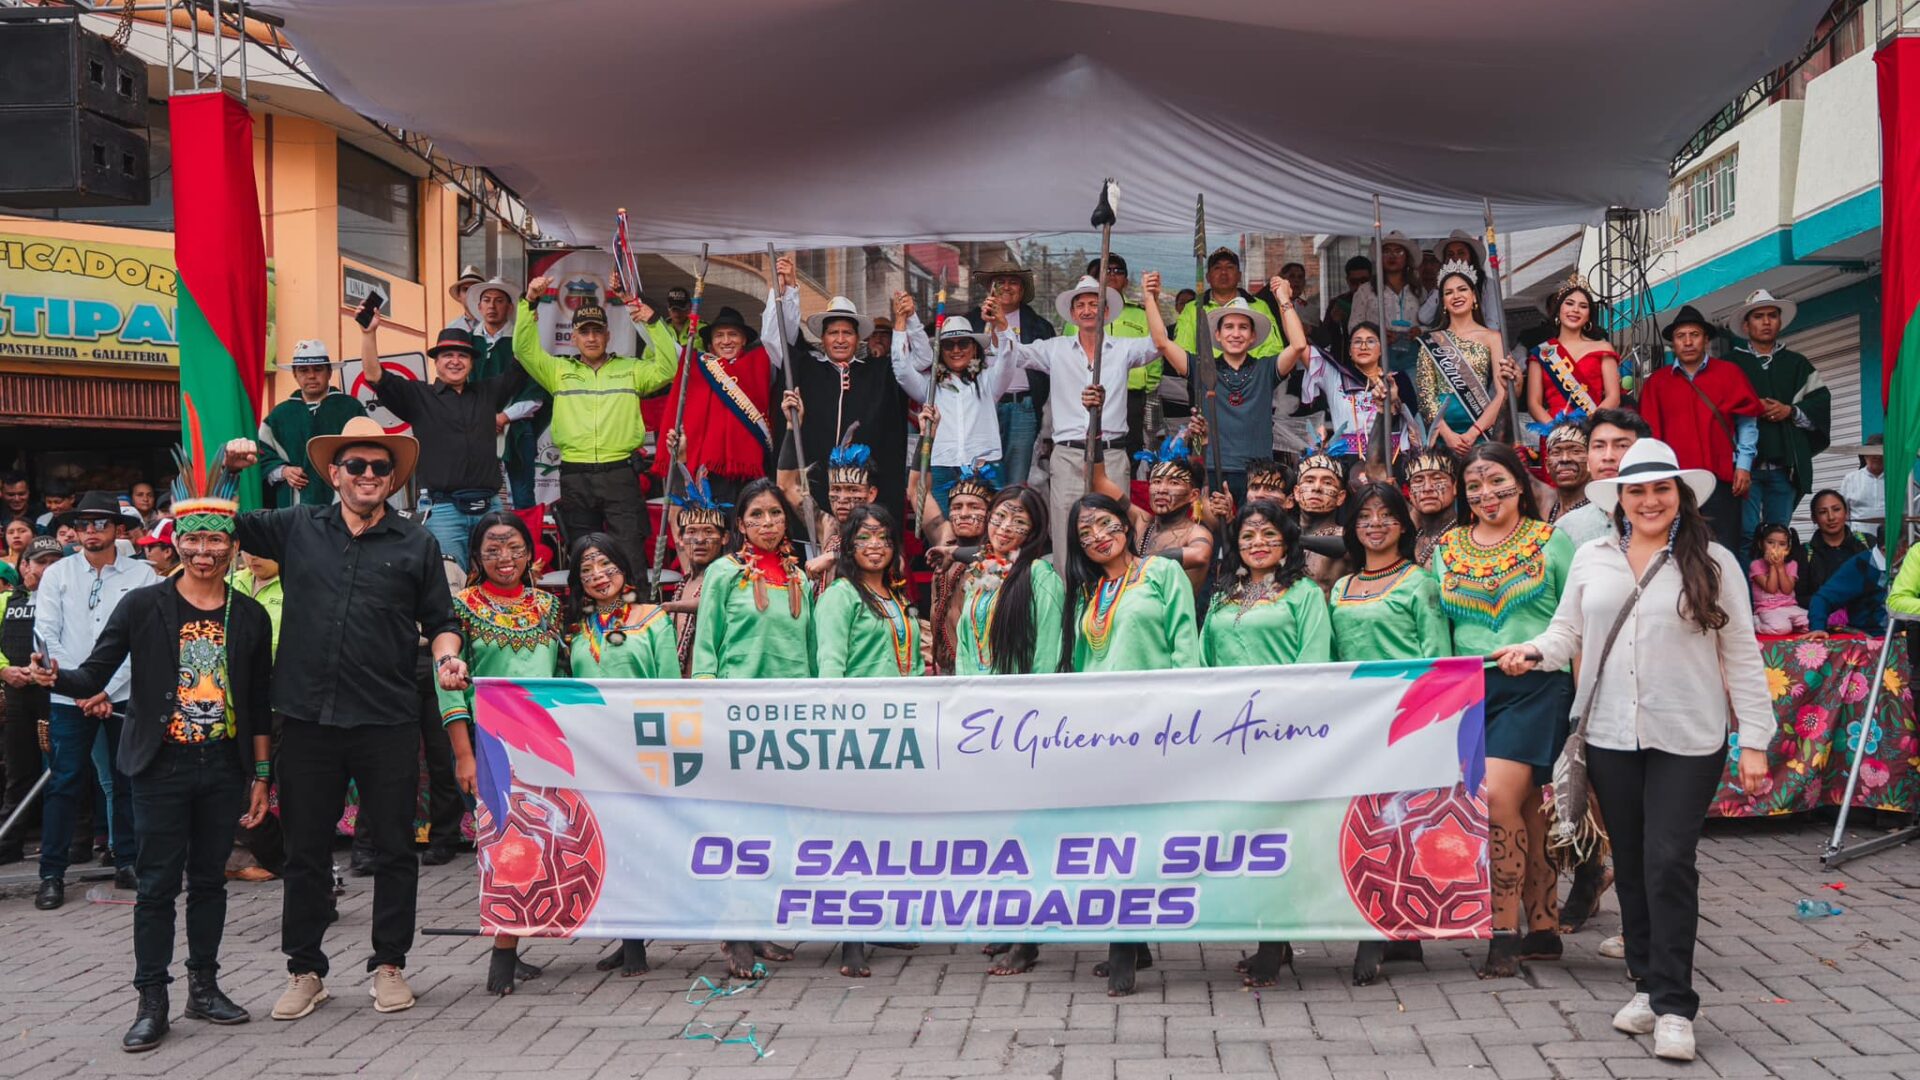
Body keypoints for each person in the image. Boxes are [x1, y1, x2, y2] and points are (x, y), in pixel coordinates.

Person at [1493, 438, 1772, 1063]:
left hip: (1689, 735)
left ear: (1681, 496)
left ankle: (1675, 1004)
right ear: (1619, 498)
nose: (1649, 500)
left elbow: (1743, 655)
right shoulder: (1592, 556)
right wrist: (1534, 651)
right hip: (1610, 734)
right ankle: (1646, 984)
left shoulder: (1715, 562)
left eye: (1661, 489)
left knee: (1670, 859)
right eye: (1637, 490)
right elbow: (1567, 631)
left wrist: (1754, 738)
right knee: (1639, 866)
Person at [219, 417, 465, 1021]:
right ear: (335, 474)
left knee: (394, 849)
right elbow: (214, 523)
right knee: (304, 851)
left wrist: (451, 658)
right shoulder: (297, 525)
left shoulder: (417, 543)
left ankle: (390, 965)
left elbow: (442, 622)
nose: (368, 476)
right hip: (306, 717)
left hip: (386, 717)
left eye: (381, 468)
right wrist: (228, 471)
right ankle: (305, 971)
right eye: (356, 466)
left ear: (392, 478)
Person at [29, 455, 272, 1052]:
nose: (204, 551)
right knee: (159, 885)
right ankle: (152, 1000)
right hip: (158, 764)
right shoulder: (143, 605)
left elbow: (261, 703)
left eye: (216, 539)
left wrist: (261, 773)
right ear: (176, 544)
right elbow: (94, 675)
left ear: (232, 545)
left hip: (222, 765)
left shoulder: (251, 615)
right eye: (192, 539)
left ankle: (205, 988)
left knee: (211, 880)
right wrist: (50, 678)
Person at [1433, 443, 1573, 977]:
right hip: (1472, 691)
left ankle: (1501, 932)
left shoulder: (1551, 542)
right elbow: (1442, 630)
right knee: (1524, 807)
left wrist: (1582, 702)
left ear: (1521, 485)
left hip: (1539, 687)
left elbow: (1576, 626)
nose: (1486, 494)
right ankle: (1544, 927)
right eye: (1474, 486)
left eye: (1497, 482)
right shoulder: (1447, 548)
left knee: (1495, 798)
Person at [1060, 490, 1200, 995]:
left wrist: (1190, 713)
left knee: (1142, 833)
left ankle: (1124, 950)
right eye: (1084, 534)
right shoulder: (1087, 593)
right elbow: (1081, 666)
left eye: (1104, 524)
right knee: (1114, 835)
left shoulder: (1161, 573)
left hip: (1156, 723)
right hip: (1103, 732)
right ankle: (1133, 944)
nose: (1097, 537)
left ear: (1125, 522)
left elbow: (1185, 642)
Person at [1201, 499, 1329, 988]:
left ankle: (1275, 944)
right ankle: (1264, 931)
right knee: (1248, 836)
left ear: (1286, 543)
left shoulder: (1302, 594)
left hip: (1283, 732)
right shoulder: (1221, 595)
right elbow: (1204, 660)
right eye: (1248, 535)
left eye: (1269, 535)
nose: (1257, 544)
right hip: (1231, 735)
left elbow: (1315, 662)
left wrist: (1291, 721)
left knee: (1281, 834)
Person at [436, 511, 563, 996]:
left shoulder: (549, 607)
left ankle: (518, 942)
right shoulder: (462, 608)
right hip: (491, 745)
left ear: (531, 553)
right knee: (505, 847)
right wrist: (464, 755)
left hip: (547, 742)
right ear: (476, 557)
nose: (504, 558)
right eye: (492, 550)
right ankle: (502, 957)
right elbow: (449, 690)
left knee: (544, 842)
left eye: (513, 548)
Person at [689, 477, 810, 979]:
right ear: (740, 524)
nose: (767, 523)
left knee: (774, 829)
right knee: (737, 827)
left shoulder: (797, 575)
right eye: (756, 515)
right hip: (737, 718)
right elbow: (706, 646)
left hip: (788, 721)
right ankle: (734, 932)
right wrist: (708, 703)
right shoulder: (723, 572)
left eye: (776, 514)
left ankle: (759, 925)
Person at [1328, 482, 1448, 984]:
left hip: (1409, 718)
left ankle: (1382, 934)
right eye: (1364, 516)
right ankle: (1395, 933)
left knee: (1399, 826)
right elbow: (1332, 662)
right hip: (1357, 722)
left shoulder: (1419, 583)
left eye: (1385, 515)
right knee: (1364, 827)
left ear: (1404, 523)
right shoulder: (1340, 587)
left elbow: (1438, 655)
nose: (1375, 524)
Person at [995, 273, 1187, 571]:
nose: (1087, 310)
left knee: (1112, 529)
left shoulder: (1123, 348)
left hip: (1110, 453)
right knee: (1065, 532)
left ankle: (1110, 603)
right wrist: (1002, 325)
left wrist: (1150, 298)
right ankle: (1067, 603)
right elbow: (1015, 354)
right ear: (1072, 314)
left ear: (1106, 312)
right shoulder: (1054, 347)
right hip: (1068, 454)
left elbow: (1158, 344)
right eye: (1081, 304)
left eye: (1094, 304)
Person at [32, 490, 159, 908]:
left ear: (117, 529)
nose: (90, 531)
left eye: (100, 523)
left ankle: (128, 861)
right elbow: (46, 635)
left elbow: (145, 643)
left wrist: (106, 688)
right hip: (71, 698)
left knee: (126, 781)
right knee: (65, 782)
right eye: (83, 524)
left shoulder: (143, 577)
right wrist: (83, 687)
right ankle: (51, 873)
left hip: (122, 694)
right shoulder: (58, 574)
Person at [564, 532, 676, 977]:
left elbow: (669, 685)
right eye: (587, 569)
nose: (598, 576)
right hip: (596, 753)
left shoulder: (652, 619)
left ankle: (639, 944)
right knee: (607, 847)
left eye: (606, 566)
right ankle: (628, 939)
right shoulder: (576, 630)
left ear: (625, 572)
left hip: (642, 747)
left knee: (640, 845)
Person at [515, 277, 679, 571]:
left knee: (630, 550)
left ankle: (636, 612)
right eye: (584, 332)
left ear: (608, 335)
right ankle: (586, 614)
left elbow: (669, 367)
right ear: (574, 337)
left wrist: (654, 323)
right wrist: (529, 303)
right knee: (583, 552)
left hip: (620, 472)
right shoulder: (558, 370)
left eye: (597, 331)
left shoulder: (631, 370)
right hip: (575, 474)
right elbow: (523, 351)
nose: (591, 338)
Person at [363, 321, 531, 566]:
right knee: (451, 586)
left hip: (490, 506)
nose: (455, 361)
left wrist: (530, 310)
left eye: (462, 355)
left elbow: (522, 362)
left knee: (499, 580)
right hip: (444, 511)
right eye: (447, 355)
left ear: (472, 363)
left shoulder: (487, 393)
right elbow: (374, 376)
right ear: (437, 362)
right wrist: (369, 333)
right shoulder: (419, 396)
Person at [767, 258, 911, 522]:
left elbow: (911, 366)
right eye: (833, 332)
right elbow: (775, 340)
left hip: (863, 490)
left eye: (847, 333)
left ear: (858, 339)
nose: (841, 339)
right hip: (815, 484)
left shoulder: (879, 373)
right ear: (822, 338)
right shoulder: (805, 368)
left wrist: (903, 322)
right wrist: (785, 291)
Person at [1158, 280, 1310, 504]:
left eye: (1243, 327)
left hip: (1258, 474)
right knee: (1218, 537)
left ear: (1253, 337)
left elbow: (1298, 345)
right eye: (1229, 327)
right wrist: (1150, 297)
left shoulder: (1266, 368)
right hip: (1213, 468)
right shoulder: (1203, 369)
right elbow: (1162, 343)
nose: (1236, 333)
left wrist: (1284, 300)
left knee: (1254, 535)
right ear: (1217, 335)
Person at [1637, 305, 1762, 552]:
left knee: (1725, 550)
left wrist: (1744, 466)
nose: (1688, 341)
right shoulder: (1657, 383)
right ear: (1673, 343)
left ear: (1705, 339)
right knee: (1679, 550)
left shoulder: (1729, 373)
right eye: (1681, 336)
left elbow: (1747, 422)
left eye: (1694, 334)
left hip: (1722, 480)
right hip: (1676, 484)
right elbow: (1650, 437)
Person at [652, 298, 786, 509]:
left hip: (749, 470)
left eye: (733, 334)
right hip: (707, 472)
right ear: (711, 343)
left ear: (744, 340)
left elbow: (775, 337)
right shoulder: (697, 367)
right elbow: (668, 349)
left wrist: (781, 295)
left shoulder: (760, 364)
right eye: (719, 336)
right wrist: (648, 320)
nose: (726, 341)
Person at [891, 295, 1016, 514]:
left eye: (963, 343)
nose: (956, 350)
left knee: (988, 534)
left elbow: (1008, 358)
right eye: (948, 344)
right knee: (942, 535)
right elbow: (902, 370)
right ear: (940, 351)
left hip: (985, 467)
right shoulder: (929, 387)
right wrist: (903, 320)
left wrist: (1002, 324)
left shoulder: (989, 380)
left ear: (975, 347)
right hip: (941, 467)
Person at [1729, 288, 1829, 547]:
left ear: (1779, 322)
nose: (1765, 322)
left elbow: (1820, 402)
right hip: (1743, 469)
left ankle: (1776, 588)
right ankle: (1746, 588)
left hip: (1784, 469)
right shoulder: (1729, 366)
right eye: (1758, 316)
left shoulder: (1797, 364)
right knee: (1746, 535)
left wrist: (1790, 411)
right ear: (1746, 324)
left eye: (1771, 316)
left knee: (1778, 535)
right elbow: (1717, 410)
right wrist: (1751, 406)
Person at [0, 535, 64, 864]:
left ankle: (76, 842)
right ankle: (9, 843)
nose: (49, 569)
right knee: (19, 771)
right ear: (25, 565)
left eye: (56, 562)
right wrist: (5, 670)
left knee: (65, 772)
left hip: (58, 695)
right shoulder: (7, 601)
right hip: (18, 696)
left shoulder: (71, 599)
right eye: (42, 562)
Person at [968, 255, 1055, 489]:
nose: (1006, 287)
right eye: (999, 281)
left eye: (1013, 282)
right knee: (982, 478)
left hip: (1022, 408)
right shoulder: (970, 322)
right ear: (989, 288)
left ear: (1022, 289)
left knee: (1016, 481)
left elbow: (1049, 372)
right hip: (981, 408)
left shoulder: (1039, 326)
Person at [1092, 425, 1212, 592]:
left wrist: (1138, 562)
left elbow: (1200, 554)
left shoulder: (1195, 532)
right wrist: (1096, 421)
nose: (1162, 489)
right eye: (1156, 481)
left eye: (1174, 483)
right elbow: (1099, 481)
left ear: (1193, 495)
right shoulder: (1142, 521)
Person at [464, 276, 548, 511]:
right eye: (487, 300)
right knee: (477, 494)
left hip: (518, 428)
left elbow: (536, 393)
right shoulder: (467, 345)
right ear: (479, 307)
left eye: (499, 300)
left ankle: (525, 544)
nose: (492, 306)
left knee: (523, 495)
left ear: (510, 307)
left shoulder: (523, 344)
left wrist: (504, 417)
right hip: (476, 429)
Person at [1416, 261, 1516, 454]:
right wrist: (1447, 434)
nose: (1456, 296)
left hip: (1481, 429)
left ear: (1473, 296)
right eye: (1448, 292)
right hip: (1443, 434)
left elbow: (1503, 392)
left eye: (1462, 289)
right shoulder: (1432, 341)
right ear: (1443, 302)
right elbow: (1425, 396)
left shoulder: (1493, 338)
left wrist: (1473, 433)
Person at [257, 340, 369, 508]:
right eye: (303, 370)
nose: (311, 376)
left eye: (318, 369)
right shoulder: (279, 415)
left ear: (329, 372)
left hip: (345, 505)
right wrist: (283, 471)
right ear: (294, 374)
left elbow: (371, 450)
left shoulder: (350, 408)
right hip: (292, 509)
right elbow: (261, 455)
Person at [1301, 321, 1417, 477]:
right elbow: (1300, 347)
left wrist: (1394, 401)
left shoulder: (1397, 380)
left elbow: (1412, 420)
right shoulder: (1335, 377)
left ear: (1381, 348)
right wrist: (1284, 302)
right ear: (1349, 350)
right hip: (1347, 461)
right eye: (1357, 342)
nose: (1363, 347)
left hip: (1391, 461)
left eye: (1370, 341)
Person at [922, 463, 998, 675]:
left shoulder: (999, 559)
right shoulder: (943, 543)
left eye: (974, 507)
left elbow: (1000, 559)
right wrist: (926, 437)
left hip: (983, 671)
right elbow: (917, 490)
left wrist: (954, 554)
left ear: (992, 514)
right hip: (947, 672)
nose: (964, 514)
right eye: (956, 507)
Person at [1525, 275, 1621, 424]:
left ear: (1589, 315)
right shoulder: (1542, 352)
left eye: (1583, 306)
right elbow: (1533, 404)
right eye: (1569, 304)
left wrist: (1588, 427)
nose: (1575, 310)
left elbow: (1613, 397)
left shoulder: (1603, 348)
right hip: (1554, 433)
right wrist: (1557, 432)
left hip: (1592, 428)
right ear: (1558, 311)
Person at [664, 472, 731, 677]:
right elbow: (672, 515)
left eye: (709, 531)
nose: (700, 539)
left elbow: (709, 601)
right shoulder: (686, 579)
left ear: (724, 538)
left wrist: (667, 607)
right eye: (691, 531)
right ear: (681, 539)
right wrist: (679, 459)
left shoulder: (729, 575)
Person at [1556, 409, 1652, 547]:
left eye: (1622, 445)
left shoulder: (1663, 519)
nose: (1608, 456)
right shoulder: (1566, 529)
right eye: (1599, 446)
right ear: (1587, 459)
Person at [1346, 233, 1424, 374]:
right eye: (1386, 251)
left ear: (1407, 258)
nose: (1392, 256)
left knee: (1413, 394)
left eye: (1398, 251)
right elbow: (1353, 326)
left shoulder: (1419, 289)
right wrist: (1376, 335)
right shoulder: (1365, 290)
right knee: (1382, 394)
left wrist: (1421, 331)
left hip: (1414, 353)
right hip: (1379, 355)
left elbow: (1434, 323)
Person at [1796, 490, 1873, 625]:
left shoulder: (1868, 543)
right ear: (1814, 518)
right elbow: (1799, 597)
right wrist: (1828, 603)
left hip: (1870, 623)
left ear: (1846, 512)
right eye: (1823, 512)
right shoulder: (1805, 553)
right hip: (1825, 625)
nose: (1831, 517)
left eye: (1836, 509)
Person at [1294, 450, 1350, 595]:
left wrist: (1293, 539)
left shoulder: (1347, 535)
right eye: (1309, 480)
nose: (1317, 488)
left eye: (1327, 482)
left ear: (1340, 497)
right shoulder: (1281, 534)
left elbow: (1348, 545)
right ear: (1297, 493)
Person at [1748, 524, 1810, 635]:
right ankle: (1755, 622)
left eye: (1782, 544)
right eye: (1770, 542)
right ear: (1761, 544)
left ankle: (1792, 625)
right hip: (1768, 609)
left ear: (1788, 548)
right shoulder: (1756, 565)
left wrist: (1780, 567)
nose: (1775, 548)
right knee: (1782, 629)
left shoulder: (1792, 564)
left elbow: (1787, 589)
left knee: (1813, 622)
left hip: (1789, 606)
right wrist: (1772, 566)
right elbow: (1771, 588)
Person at [1540, 422, 1591, 523]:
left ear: (1590, 459)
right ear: (1547, 465)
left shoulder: (1605, 510)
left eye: (1576, 451)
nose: (1565, 459)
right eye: (1556, 453)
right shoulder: (1544, 510)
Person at [1836, 436, 1886, 531]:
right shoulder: (1850, 479)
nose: (1877, 456)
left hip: (1894, 542)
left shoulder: (1900, 480)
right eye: (1873, 452)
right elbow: (1842, 513)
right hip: (1859, 541)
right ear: (1865, 455)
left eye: (1880, 452)